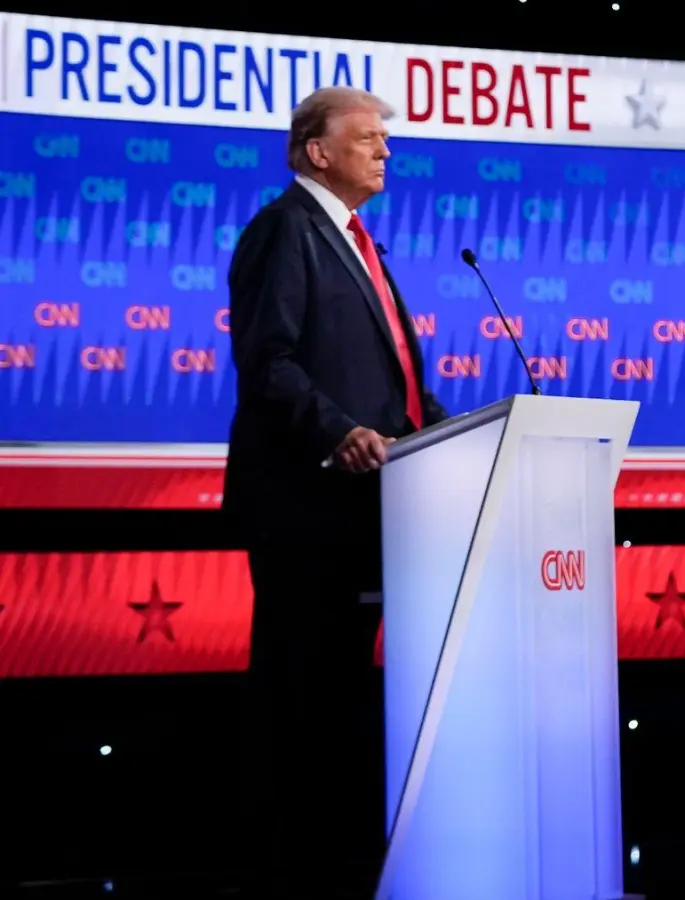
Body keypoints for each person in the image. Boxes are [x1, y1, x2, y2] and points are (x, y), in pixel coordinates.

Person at [223, 85, 448, 896]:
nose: (385, 151)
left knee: (339, 696)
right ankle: (283, 869)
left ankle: (333, 858)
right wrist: (336, 431)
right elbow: (269, 360)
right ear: (317, 151)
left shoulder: (359, 241)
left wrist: (457, 431)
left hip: (368, 509)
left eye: (386, 139)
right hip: (306, 509)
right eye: (368, 138)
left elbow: (395, 381)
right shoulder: (285, 232)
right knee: (299, 693)